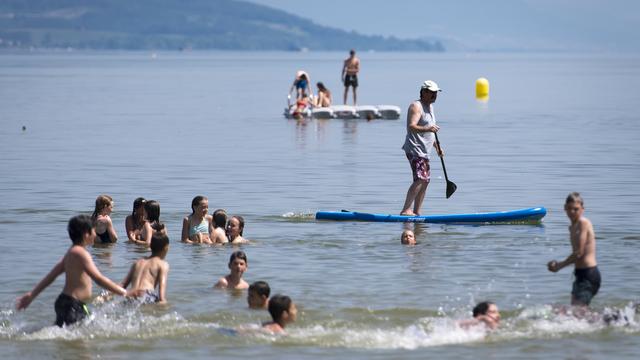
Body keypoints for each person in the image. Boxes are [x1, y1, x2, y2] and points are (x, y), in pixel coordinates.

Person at [16, 214, 131, 327]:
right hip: (72, 304)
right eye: (93, 231)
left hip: (68, 303)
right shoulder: (81, 253)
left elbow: (51, 276)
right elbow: (98, 278)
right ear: (86, 234)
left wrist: (32, 295)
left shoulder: (71, 252)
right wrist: (123, 292)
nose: (95, 234)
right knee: (80, 341)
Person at [547, 192, 600, 306]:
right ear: (565, 208)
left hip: (589, 274)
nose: (572, 212)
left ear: (582, 209)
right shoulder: (572, 227)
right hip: (579, 274)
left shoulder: (583, 223)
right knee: (577, 313)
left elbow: (579, 253)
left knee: (578, 312)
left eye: (576, 209)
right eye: (569, 208)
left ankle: (615, 318)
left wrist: (559, 266)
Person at [400, 80, 444, 216]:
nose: (434, 95)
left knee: (425, 181)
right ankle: (406, 210)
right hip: (415, 148)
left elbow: (430, 132)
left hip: (425, 150)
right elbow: (411, 126)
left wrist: (437, 147)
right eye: (431, 93)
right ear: (424, 92)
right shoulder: (416, 106)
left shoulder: (430, 107)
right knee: (421, 179)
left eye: (436, 93)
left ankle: (417, 212)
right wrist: (427, 128)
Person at [121, 233, 170, 304]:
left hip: (131, 295)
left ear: (150, 246)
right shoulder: (162, 264)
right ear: (166, 248)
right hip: (146, 295)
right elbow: (161, 295)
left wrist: (108, 295)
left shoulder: (137, 262)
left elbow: (122, 285)